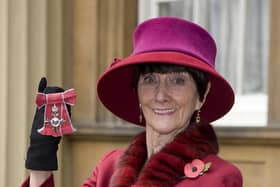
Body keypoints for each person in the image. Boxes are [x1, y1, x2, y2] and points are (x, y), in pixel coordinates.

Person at [22, 17, 242, 187]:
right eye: (149, 79)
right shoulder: (110, 166)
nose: (161, 95)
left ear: (201, 95)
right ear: (136, 92)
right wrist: (41, 162)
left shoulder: (221, 178)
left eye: (178, 80)